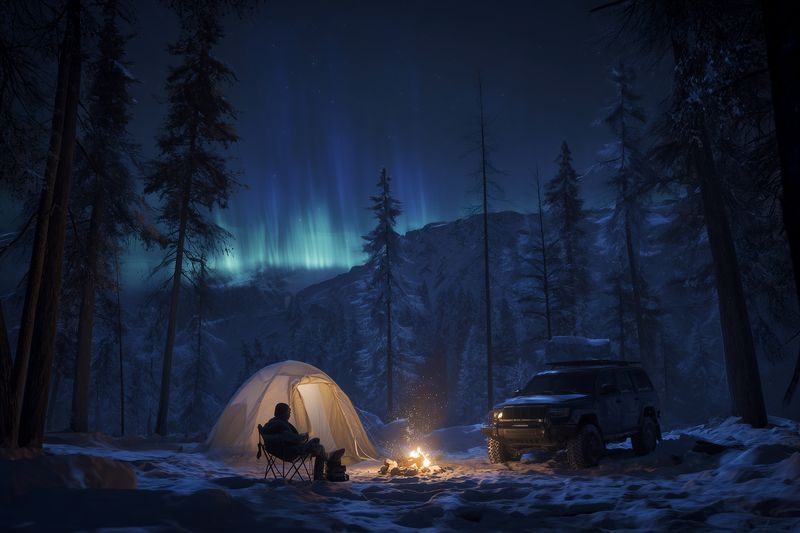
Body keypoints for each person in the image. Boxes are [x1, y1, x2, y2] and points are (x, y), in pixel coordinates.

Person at [262, 402, 344, 481]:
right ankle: (325, 465)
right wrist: (304, 436)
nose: (290, 414)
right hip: (289, 452)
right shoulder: (280, 425)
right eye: (288, 412)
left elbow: (285, 438)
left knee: (316, 440)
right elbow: (293, 439)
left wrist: (300, 437)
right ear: (283, 412)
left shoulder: (271, 424)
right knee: (319, 447)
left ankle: (328, 458)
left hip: (282, 450)